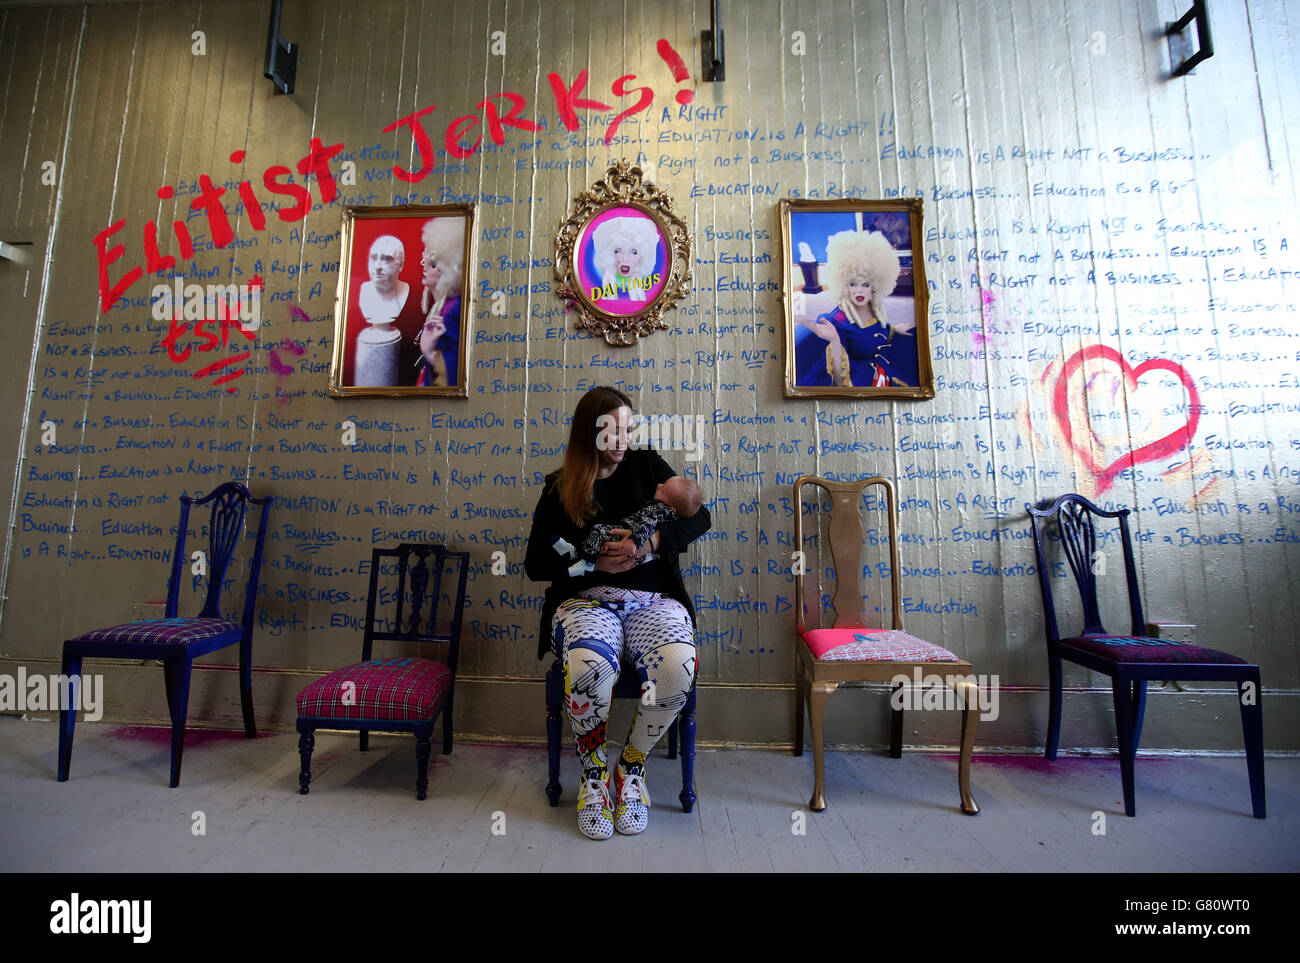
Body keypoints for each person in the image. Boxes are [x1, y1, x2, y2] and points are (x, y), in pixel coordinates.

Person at [525, 387, 711, 840]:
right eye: (614, 431)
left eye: (629, 429)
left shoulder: (647, 465)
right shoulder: (560, 486)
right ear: (588, 434)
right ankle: (593, 777)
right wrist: (593, 565)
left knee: (678, 665)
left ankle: (630, 768)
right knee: (588, 667)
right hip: (586, 601)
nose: (624, 439)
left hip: (652, 601)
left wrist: (651, 543)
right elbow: (535, 563)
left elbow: (699, 517)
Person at [793, 229, 919, 388]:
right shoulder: (837, 321)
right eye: (853, 284)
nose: (859, 291)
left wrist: (894, 329)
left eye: (865, 284)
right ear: (843, 285)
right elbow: (839, 382)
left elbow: (874, 329)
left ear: (874, 286)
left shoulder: (874, 308)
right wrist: (834, 340)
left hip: (879, 368)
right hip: (857, 377)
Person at [552, 476, 704, 576]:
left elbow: (646, 525)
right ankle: (575, 552)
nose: (658, 485)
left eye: (663, 490)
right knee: (598, 541)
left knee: (598, 530)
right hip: (632, 547)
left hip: (627, 539)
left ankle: (587, 563)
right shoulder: (669, 513)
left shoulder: (657, 509)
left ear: (672, 508)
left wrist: (634, 542)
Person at [414, 217, 465, 387]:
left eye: (433, 264)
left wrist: (429, 352)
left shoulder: (453, 310)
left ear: (450, 271)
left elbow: (458, 369)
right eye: (426, 261)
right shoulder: (442, 307)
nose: (424, 267)